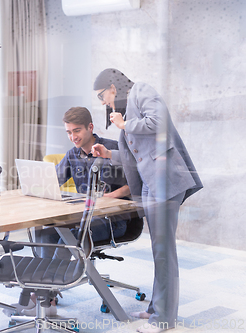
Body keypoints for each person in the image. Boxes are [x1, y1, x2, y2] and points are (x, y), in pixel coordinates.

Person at [91, 68, 203, 333]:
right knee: (158, 252)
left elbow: (159, 123)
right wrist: (109, 153)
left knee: (165, 253)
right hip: (154, 186)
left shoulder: (141, 90)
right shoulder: (127, 113)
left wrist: (124, 125)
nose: (103, 103)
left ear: (112, 87)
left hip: (166, 182)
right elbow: (135, 157)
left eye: (101, 96)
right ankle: (156, 309)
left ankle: (163, 320)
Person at [37, 106, 132, 260]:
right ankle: (46, 281)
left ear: (90, 127)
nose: (73, 136)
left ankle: (59, 278)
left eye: (77, 130)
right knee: (46, 233)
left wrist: (111, 196)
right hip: (83, 217)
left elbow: (136, 182)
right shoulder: (72, 154)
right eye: (69, 132)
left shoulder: (113, 148)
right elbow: (52, 182)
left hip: (112, 220)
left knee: (69, 240)